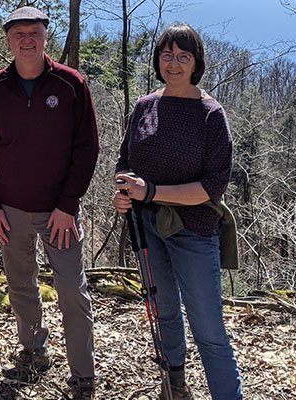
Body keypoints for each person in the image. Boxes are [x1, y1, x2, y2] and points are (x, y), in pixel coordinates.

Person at [113, 23, 244, 400]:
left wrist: (151, 190)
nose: (174, 63)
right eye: (167, 54)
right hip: (146, 225)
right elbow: (126, 161)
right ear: (158, 60)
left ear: (196, 63)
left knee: (208, 329)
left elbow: (212, 187)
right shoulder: (144, 107)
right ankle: (175, 388)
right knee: (165, 312)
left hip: (195, 230)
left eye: (183, 56)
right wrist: (123, 191)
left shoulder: (210, 115)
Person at [0, 6, 98, 399]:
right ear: (8, 39)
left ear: (46, 36)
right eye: (18, 33)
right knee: (21, 285)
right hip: (10, 211)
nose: (26, 39)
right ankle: (33, 351)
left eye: (34, 32)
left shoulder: (71, 84)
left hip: (59, 212)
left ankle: (82, 374)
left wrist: (69, 205)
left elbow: (87, 148)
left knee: (71, 291)